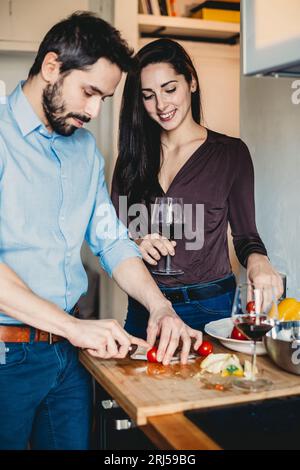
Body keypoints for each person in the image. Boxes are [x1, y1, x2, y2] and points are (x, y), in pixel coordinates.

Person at [0, 16, 202, 450]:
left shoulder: (84, 149)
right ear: (52, 67)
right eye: (89, 92)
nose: (93, 111)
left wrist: (160, 307)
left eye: (103, 98)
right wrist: (76, 328)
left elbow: (110, 240)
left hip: (67, 356)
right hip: (5, 356)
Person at [112, 38, 283, 340]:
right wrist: (135, 242)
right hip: (145, 310)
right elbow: (111, 237)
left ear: (190, 81)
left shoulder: (230, 154)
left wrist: (259, 260)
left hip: (211, 309)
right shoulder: (131, 159)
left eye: (170, 89)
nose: (161, 105)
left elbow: (245, 236)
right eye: (148, 96)